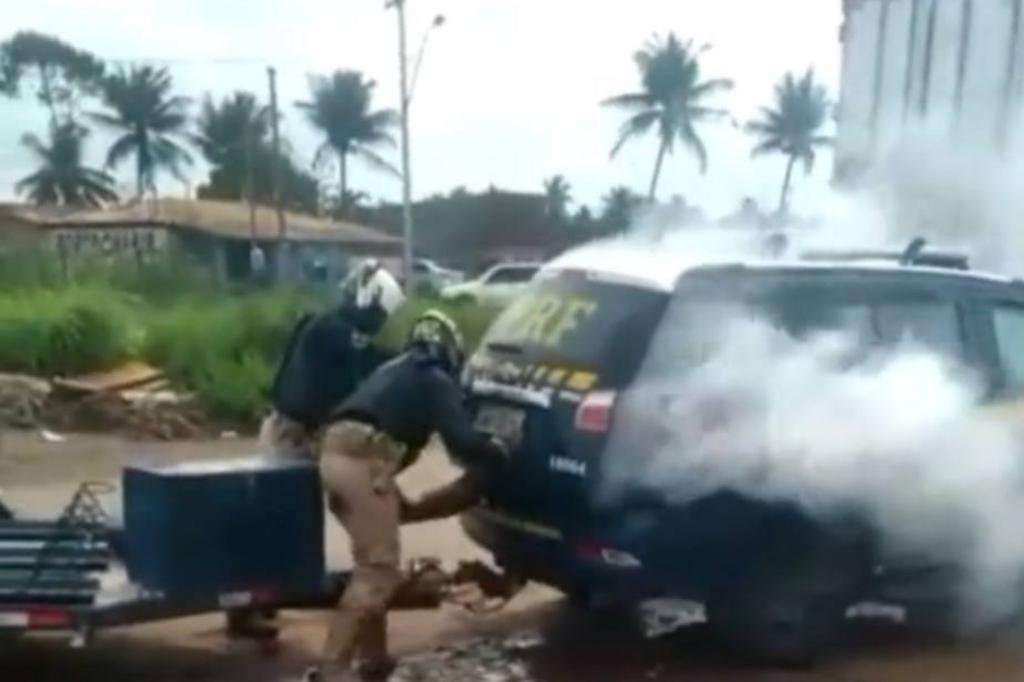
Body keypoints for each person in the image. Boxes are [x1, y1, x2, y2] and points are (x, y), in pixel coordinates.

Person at [303, 310, 506, 682]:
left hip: (333, 454)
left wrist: (410, 507)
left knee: (371, 563)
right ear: (449, 352)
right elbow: (461, 441)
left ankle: (374, 659)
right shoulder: (435, 379)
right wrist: (498, 450)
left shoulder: (392, 370)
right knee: (379, 572)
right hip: (365, 459)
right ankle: (332, 670)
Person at [259, 300, 389, 461]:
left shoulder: (317, 322)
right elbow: (374, 358)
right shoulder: (336, 331)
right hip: (293, 430)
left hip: (289, 424)